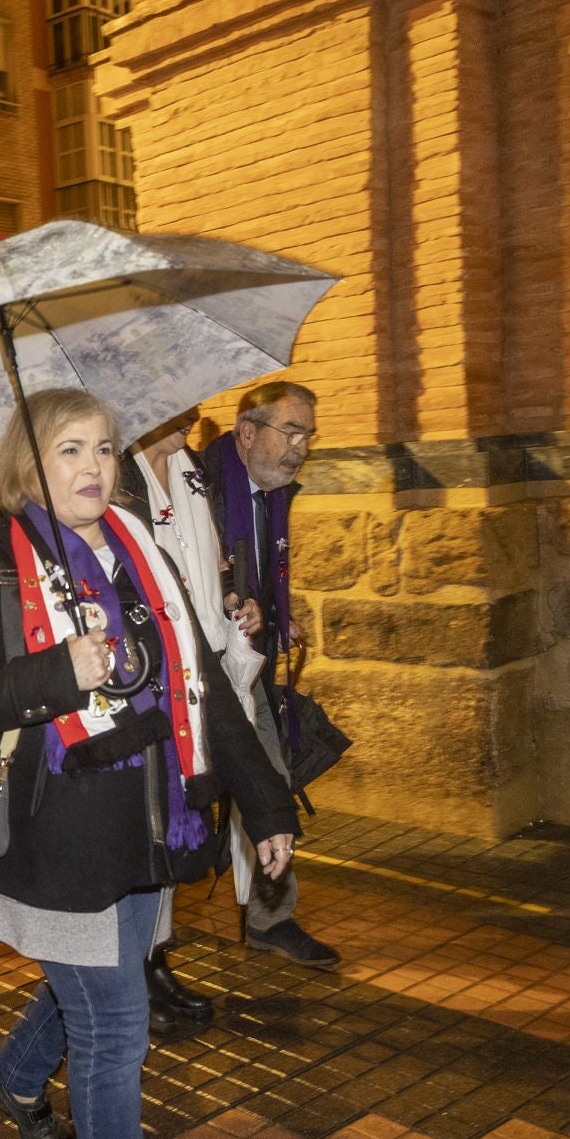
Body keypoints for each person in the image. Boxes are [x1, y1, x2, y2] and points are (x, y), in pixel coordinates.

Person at [0, 388, 299, 1139]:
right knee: (115, 1026)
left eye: (103, 447)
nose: (93, 466)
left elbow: (201, 679)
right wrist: (61, 670)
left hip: (150, 817)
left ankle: (17, 1077)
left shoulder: (143, 554)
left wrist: (265, 804)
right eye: (68, 450)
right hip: (58, 832)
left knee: (111, 977)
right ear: (27, 467)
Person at [122, 409, 298, 1032]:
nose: (193, 421)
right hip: (157, 673)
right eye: (180, 411)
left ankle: (155, 956)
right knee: (157, 817)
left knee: (185, 817)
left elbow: (211, 560)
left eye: (195, 411)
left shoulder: (191, 472)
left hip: (204, 660)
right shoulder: (124, 477)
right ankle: (136, 968)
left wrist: (232, 600)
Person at [200, 380, 341, 968]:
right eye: (292, 431)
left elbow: (257, 567)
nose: (302, 446)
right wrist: (232, 595)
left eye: (308, 434)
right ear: (248, 432)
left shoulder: (268, 492)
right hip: (202, 666)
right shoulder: (202, 488)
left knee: (268, 778)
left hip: (245, 660)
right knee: (258, 782)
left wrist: (278, 616)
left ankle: (269, 917)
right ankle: (147, 953)